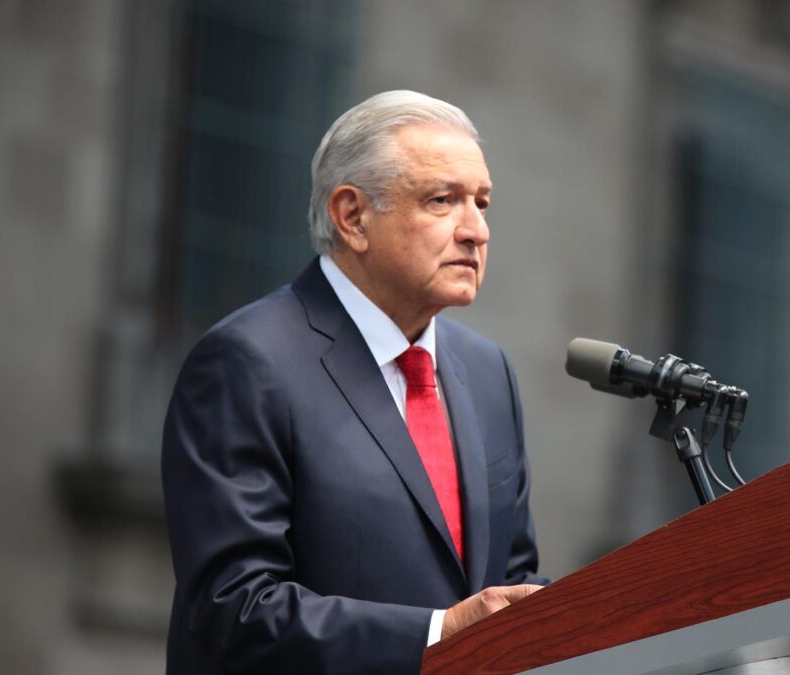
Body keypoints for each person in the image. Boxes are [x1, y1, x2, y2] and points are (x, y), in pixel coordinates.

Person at [162, 90, 547, 674]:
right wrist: (438, 634)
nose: (476, 231)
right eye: (443, 201)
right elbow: (234, 607)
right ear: (353, 217)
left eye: (483, 203)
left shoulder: (490, 373)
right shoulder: (247, 362)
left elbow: (512, 582)